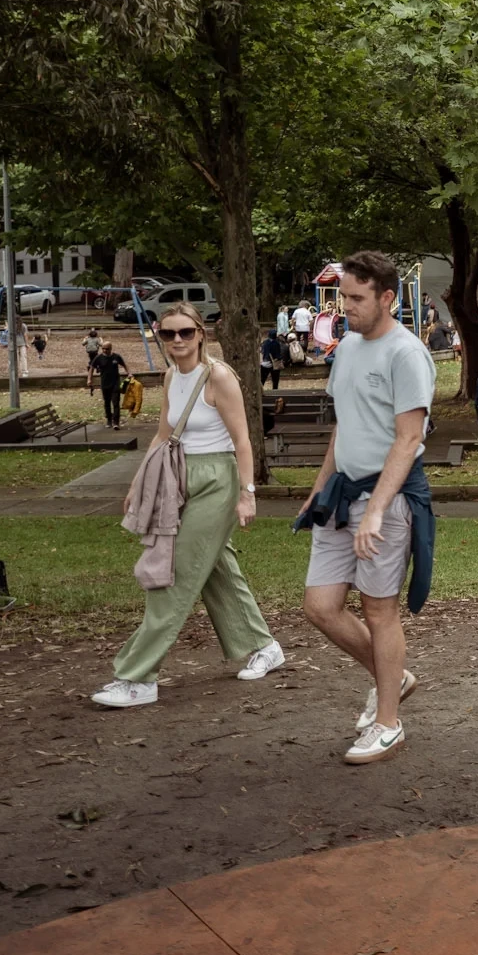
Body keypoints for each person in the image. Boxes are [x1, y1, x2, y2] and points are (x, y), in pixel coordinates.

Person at [93, 303, 283, 709]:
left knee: (175, 571)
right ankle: (262, 645)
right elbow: (163, 433)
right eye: (169, 334)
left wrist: (247, 493)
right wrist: (138, 482)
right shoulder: (170, 375)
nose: (178, 341)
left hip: (217, 478)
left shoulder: (219, 377)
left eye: (186, 333)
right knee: (215, 567)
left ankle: (138, 677)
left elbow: (244, 440)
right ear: (160, 336)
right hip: (178, 477)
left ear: (201, 333)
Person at [296, 252, 438, 766]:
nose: (346, 307)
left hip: (389, 499)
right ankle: (392, 677)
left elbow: (408, 439)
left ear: (386, 298)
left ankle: (388, 723)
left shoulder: (406, 354)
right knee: (320, 607)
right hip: (341, 495)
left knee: (379, 610)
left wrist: (378, 509)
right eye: (343, 297)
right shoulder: (349, 347)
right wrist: (319, 487)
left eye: (356, 298)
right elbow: (344, 425)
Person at [94, 341, 130, 429]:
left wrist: (129, 373)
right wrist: (89, 379)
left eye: (107, 349)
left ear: (111, 349)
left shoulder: (116, 357)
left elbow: (124, 365)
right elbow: (91, 367)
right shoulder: (99, 357)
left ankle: (116, 422)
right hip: (105, 384)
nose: (104, 350)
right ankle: (109, 420)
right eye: (103, 349)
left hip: (115, 383)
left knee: (115, 402)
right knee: (107, 403)